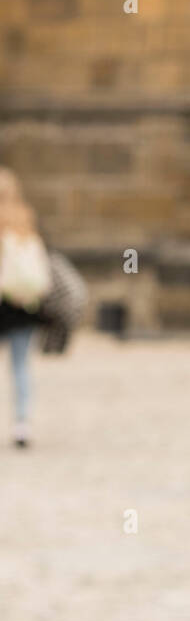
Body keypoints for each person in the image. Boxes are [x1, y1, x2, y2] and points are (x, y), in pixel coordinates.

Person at [0, 168, 52, 447]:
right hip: (26, 304)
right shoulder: (26, 218)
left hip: (4, 303)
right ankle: (22, 423)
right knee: (20, 365)